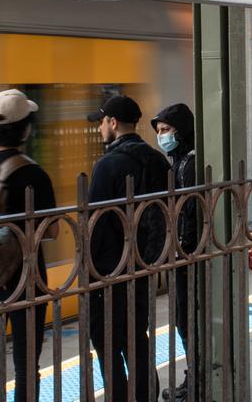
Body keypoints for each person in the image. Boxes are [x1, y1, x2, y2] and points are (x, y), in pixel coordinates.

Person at [0, 90, 55, 402]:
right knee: (25, 363)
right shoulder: (32, 172)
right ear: (26, 128)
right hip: (24, 276)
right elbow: (53, 230)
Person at [87, 95, 170, 402]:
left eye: (100, 122)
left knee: (107, 341)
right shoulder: (158, 160)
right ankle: (146, 395)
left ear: (112, 123)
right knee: (136, 338)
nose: (99, 129)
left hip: (110, 269)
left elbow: (94, 222)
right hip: (145, 263)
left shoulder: (108, 164)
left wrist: (89, 272)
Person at [150, 103, 200, 400]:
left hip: (188, 253)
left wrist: (181, 247)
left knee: (187, 317)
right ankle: (193, 375)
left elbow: (189, 211)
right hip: (183, 251)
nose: (162, 137)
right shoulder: (180, 161)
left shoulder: (189, 164)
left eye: (166, 131)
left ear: (182, 132)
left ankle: (195, 378)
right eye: (159, 132)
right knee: (185, 316)